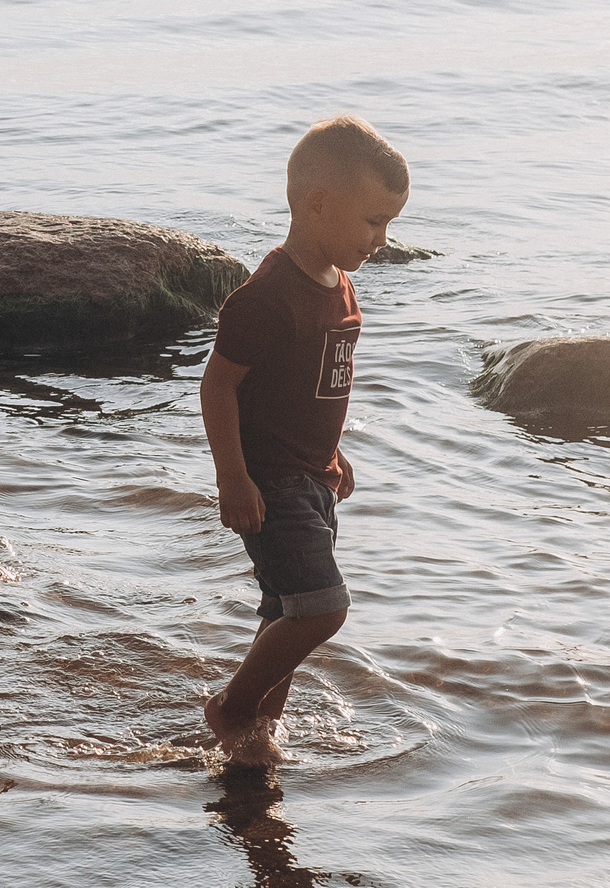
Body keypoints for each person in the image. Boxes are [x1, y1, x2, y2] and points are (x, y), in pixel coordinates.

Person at [199, 115, 410, 765]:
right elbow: (218, 388)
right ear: (318, 204)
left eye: (390, 225)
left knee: (285, 611)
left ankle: (257, 734)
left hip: (312, 479)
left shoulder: (339, 287)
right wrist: (233, 479)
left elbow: (310, 388)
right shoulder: (266, 297)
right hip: (270, 482)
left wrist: (332, 453)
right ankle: (232, 707)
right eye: (373, 221)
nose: (382, 239)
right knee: (321, 609)